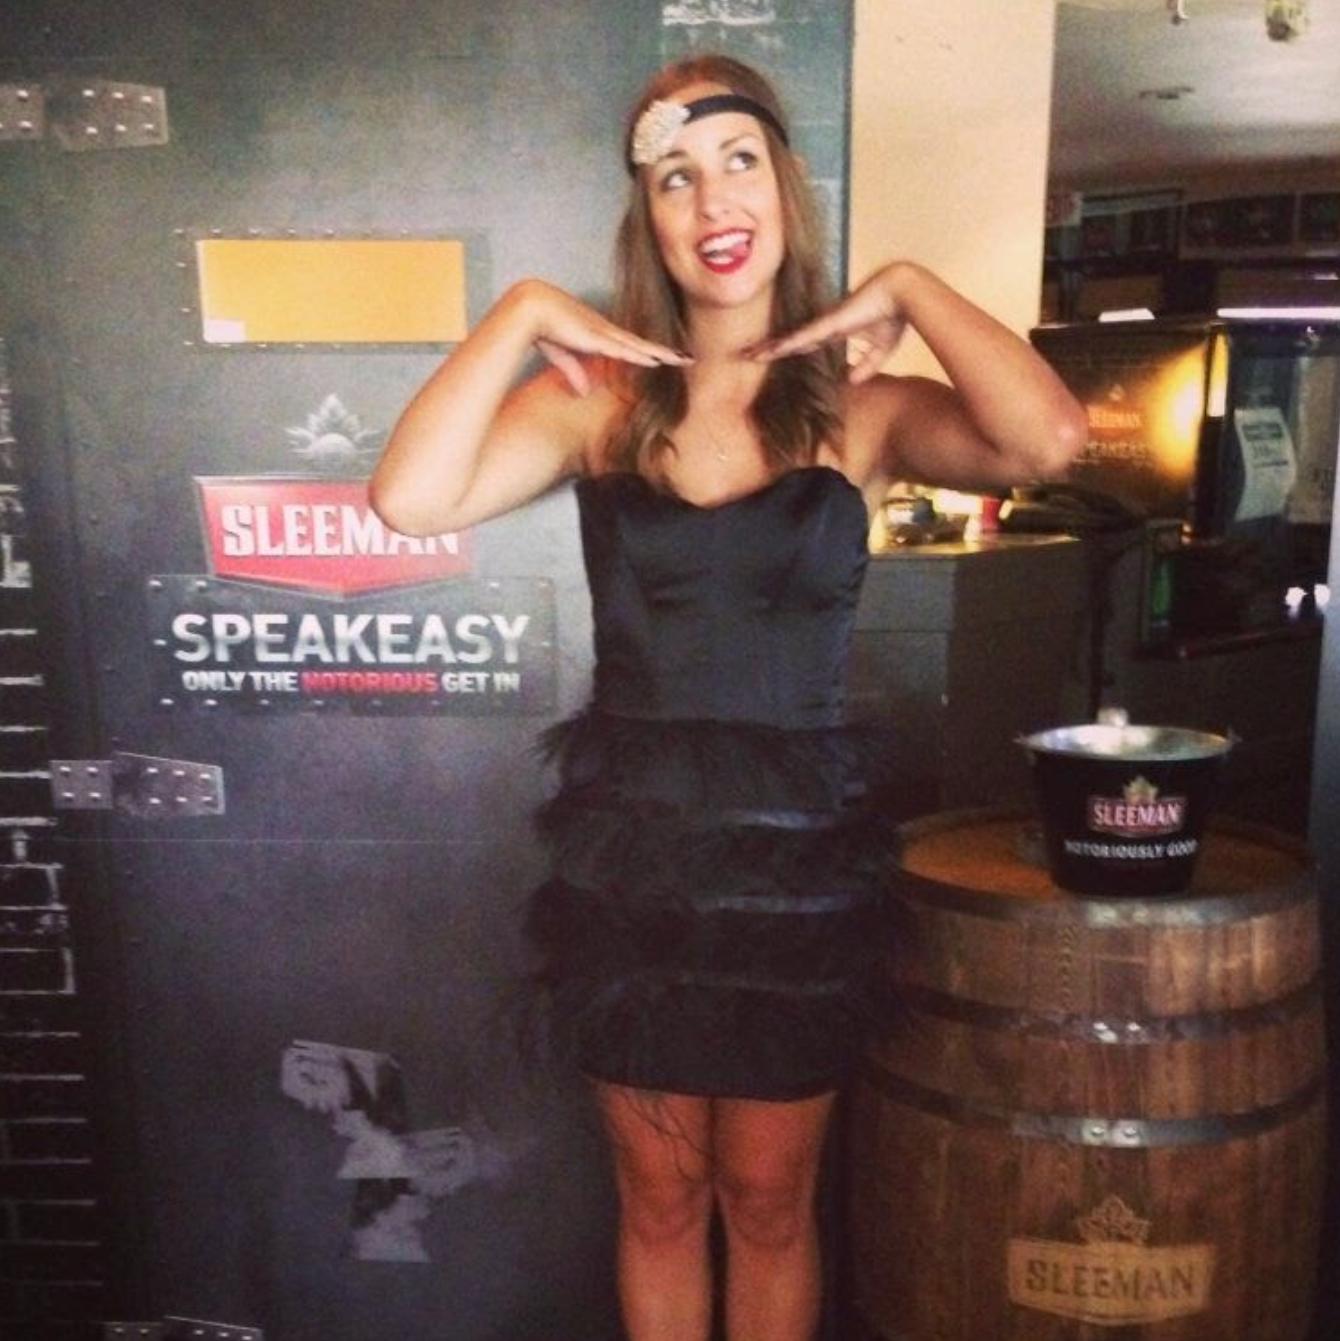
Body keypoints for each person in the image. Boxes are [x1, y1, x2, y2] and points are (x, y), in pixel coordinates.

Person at [371, 52, 1085, 1341]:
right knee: (658, 1200)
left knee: (766, 1202)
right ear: (648, 217)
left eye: (738, 162)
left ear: (784, 186)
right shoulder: (597, 407)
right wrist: (526, 310)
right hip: (634, 867)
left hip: (799, 875)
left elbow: (1047, 442)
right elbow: (409, 499)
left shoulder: (859, 414)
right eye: (673, 178)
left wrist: (911, 287)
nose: (711, 202)